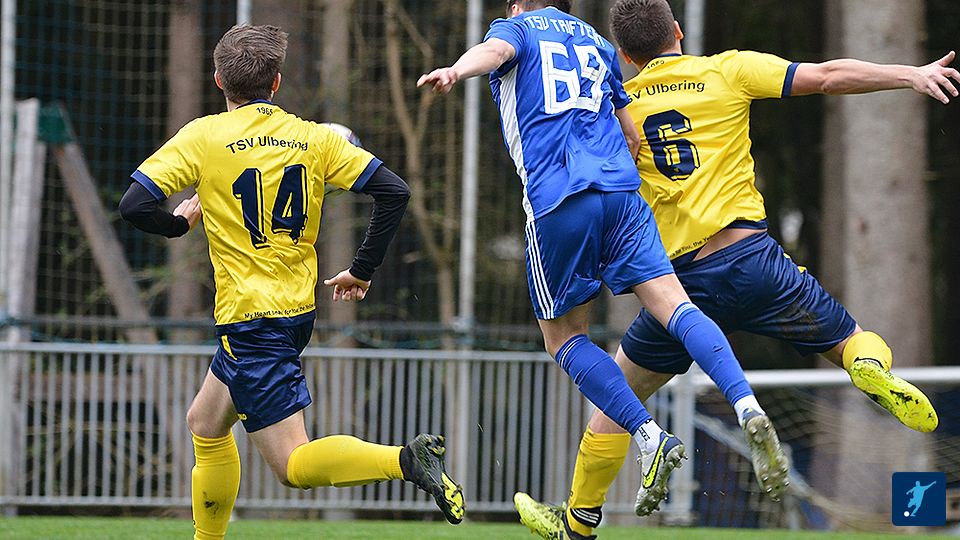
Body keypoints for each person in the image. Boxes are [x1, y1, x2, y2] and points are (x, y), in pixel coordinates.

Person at [514, 0, 958, 537]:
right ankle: (869, 366)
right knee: (847, 340)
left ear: (626, 56)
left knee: (615, 404)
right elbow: (825, 76)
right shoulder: (728, 70)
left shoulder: (617, 106)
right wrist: (909, 73)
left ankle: (578, 524)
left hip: (680, 287)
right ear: (678, 31)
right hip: (753, 262)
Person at [418, 0, 789, 523]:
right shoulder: (595, 40)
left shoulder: (518, 28)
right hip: (621, 193)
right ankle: (747, 404)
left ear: (516, 6)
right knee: (676, 307)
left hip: (559, 199)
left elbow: (496, 50)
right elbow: (631, 133)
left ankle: (648, 435)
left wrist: (457, 69)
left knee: (564, 339)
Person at [119, 24, 464, 540]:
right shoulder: (314, 137)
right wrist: (362, 270)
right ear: (277, 82)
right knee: (205, 423)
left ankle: (406, 460)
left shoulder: (203, 136)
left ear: (218, 80)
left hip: (250, 320)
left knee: (291, 465)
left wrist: (177, 225)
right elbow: (394, 192)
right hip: (293, 313)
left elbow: (135, 205)